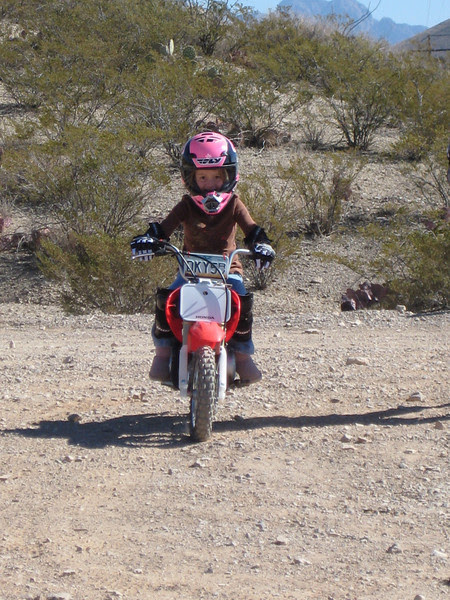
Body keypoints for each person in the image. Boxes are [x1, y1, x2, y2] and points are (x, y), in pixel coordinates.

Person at [131, 131, 275, 384]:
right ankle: (163, 353)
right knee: (166, 302)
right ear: (191, 178)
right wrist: (149, 240)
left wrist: (262, 245)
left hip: (228, 269)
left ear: (229, 175)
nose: (210, 184)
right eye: (203, 177)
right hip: (190, 270)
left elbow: (252, 230)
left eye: (217, 177)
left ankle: (242, 357)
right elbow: (162, 230)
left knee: (242, 302)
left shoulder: (234, 204)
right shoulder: (186, 204)